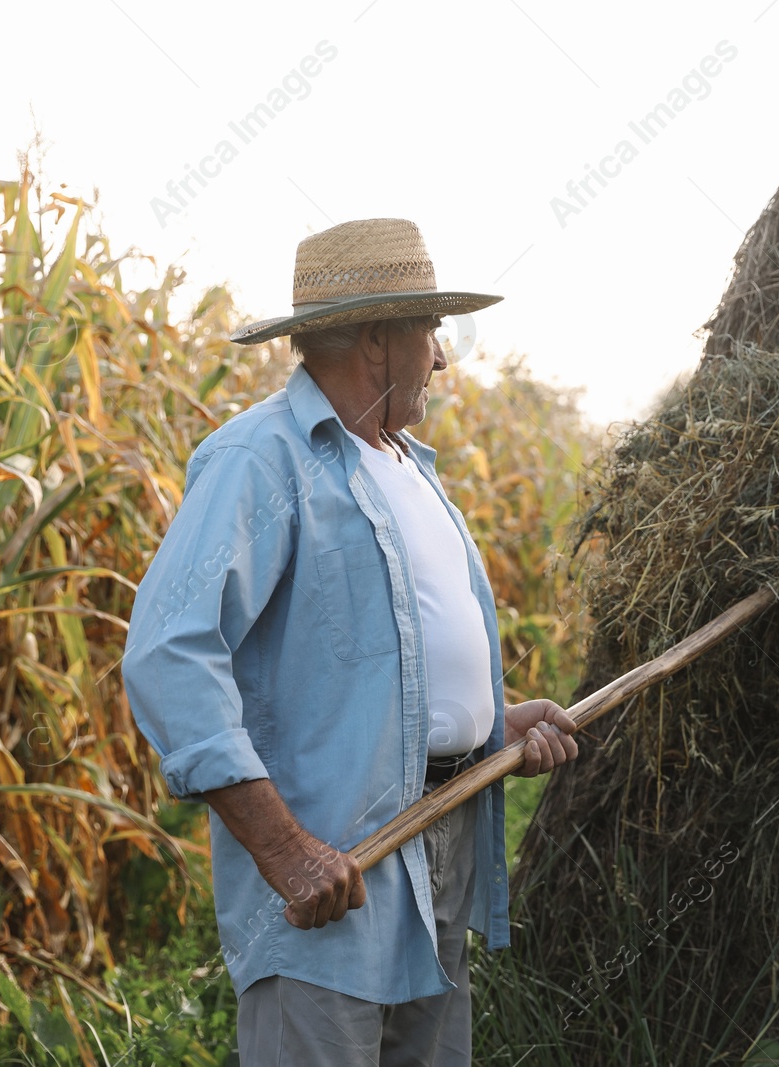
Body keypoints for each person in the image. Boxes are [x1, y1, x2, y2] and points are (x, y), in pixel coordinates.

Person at [121, 217, 579, 1066]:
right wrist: (285, 849)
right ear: (378, 338)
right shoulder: (262, 460)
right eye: (430, 330)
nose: (441, 357)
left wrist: (488, 725)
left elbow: (374, 669)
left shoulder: (408, 467)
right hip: (335, 888)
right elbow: (167, 649)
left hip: (438, 865)